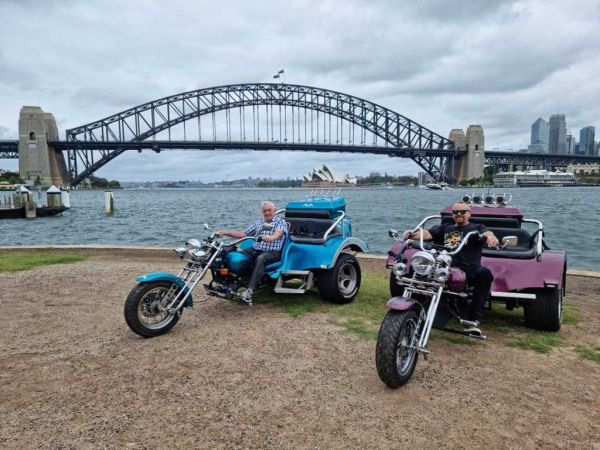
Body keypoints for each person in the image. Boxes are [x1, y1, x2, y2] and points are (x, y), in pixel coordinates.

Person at [403, 202, 499, 336]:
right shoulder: (445, 228)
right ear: (452, 214)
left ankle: (473, 319)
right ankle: (412, 309)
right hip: (445, 267)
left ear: (469, 213)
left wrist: (491, 238)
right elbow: (427, 234)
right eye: (455, 212)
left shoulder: (476, 228)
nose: (459, 214)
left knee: (484, 274)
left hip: (468, 269)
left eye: (462, 211)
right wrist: (411, 234)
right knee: (417, 268)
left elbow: (487, 233)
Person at [216, 201, 288, 305]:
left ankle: (249, 291)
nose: (267, 213)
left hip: (273, 252)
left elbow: (279, 232)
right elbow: (243, 233)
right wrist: (225, 232)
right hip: (255, 249)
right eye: (265, 211)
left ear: (275, 211)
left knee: (261, 259)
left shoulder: (280, 222)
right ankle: (229, 283)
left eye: (269, 210)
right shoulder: (259, 222)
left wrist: (272, 237)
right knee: (236, 255)